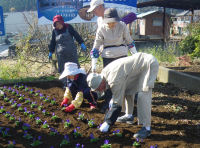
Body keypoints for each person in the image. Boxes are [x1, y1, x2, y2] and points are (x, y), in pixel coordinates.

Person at [87, 52, 159, 139]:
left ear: (101, 82)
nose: (99, 90)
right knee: (127, 90)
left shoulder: (113, 80)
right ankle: (128, 116)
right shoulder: (104, 74)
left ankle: (146, 128)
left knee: (143, 94)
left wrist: (108, 122)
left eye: (98, 88)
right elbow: (119, 89)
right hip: (137, 67)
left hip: (148, 64)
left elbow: (117, 104)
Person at [90, 8, 136, 113]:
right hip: (108, 57)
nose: (112, 24)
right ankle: (107, 104)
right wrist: (94, 65)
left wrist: (136, 55)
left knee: (123, 80)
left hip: (122, 56)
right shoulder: (101, 29)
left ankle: (123, 107)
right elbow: (96, 48)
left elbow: (129, 41)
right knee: (108, 82)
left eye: (114, 21)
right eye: (110, 22)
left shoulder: (122, 25)